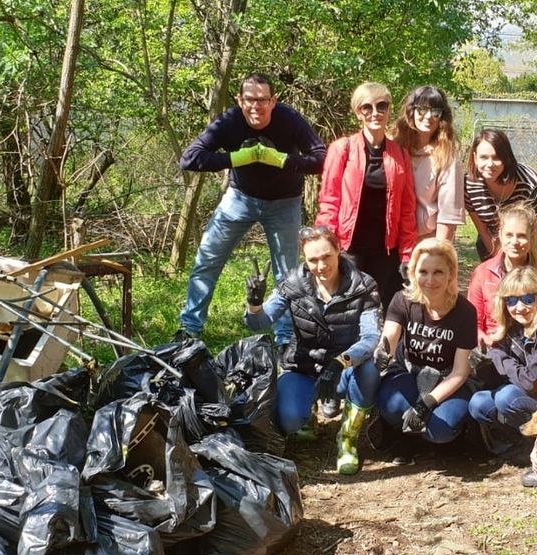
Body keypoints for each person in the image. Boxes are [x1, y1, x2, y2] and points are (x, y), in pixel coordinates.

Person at [177, 73, 326, 353]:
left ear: (273, 100)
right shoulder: (229, 121)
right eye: (249, 100)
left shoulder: (289, 119)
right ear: (239, 100)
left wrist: (284, 160)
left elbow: (322, 158)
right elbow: (189, 158)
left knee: (287, 274)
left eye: (262, 100)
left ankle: (284, 339)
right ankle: (189, 330)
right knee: (207, 258)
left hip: (285, 202)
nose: (255, 107)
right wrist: (235, 159)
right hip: (240, 198)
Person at [244, 226, 380, 475]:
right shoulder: (292, 283)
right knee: (290, 419)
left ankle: (347, 438)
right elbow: (259, 323)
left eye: (326, 256)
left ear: (338, 250)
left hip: (343, 368)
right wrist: (254, 305)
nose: (321, 265)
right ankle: (308, 417)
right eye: (313, 259)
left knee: (370, 370)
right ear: (304, 260)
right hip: (303, 367)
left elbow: (371, 336)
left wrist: (341, 362)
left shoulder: (363, 285)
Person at [468, 267, 537, 487]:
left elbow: (530, 380)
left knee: (507, 398)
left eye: (527, 298)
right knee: (479, 403)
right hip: (532, 394)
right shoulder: (512, 324)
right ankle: (521, 446)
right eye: (511, 300)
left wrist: (497, 354)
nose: (519, 307)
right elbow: (506, 370)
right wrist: (483, 362)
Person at [373, 238, 477, 464]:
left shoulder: (465, 312)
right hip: (412, 374)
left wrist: (426, 403)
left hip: (448, 381)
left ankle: (447, 439)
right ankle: (406, 438)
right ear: (412, 273)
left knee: (441, 429)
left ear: (451, 273)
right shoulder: (403, 300)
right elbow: (390, 334)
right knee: (390, 403)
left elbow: (460, 371)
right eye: (423, 271)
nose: (430, 280)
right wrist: (383, 351)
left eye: (438, 272)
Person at [316, 82, 417, 311]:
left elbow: (407, 209)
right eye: (367, 107)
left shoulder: (400, 154)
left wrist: (407, 254)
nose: (375, 113)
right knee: (347, 307)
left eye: (382, 106)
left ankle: (384, 348)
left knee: (385, 308)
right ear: (357, 112)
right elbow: (329, 200)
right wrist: (325, 245)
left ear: (389, 110)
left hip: (386, 250)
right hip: (349, 247)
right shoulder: (342, 149)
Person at [464, 129, 537, 263]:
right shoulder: (468, 185)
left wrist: (523, 268)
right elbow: (483, 231)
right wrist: (500, 265)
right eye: (484, 157)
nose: (490, 164)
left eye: (497, 157)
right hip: (498, 236)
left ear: (506, 157)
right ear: (475, 157)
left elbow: (533, 234)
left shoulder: (531, 182)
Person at [467, 202, 537, 349]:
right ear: (500, 235)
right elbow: (472, 323)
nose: (515, 242)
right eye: (509, 235)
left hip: (531, 352)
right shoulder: (482, 273)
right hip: (492, 348)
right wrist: (487, 344)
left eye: (522, 236)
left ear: (532, 237)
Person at [389, 86, 464, 241]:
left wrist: (439, 252)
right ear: (412, 111)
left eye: (436, 112)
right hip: (392, 237)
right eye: (422, 109)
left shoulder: (447, 154)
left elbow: (448, 212)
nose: (429, 116)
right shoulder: (393, 146)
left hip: (426, 239)